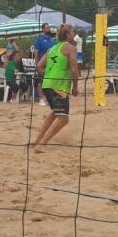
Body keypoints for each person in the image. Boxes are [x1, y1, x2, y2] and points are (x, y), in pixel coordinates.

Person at [32, 23, 79, 153]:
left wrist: (48, 76)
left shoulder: (51, 49)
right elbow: (74, 70)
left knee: (55, 112)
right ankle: (41, 144)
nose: (74, 34)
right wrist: (75, 87)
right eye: (72, 32)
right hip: (59, 86)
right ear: (68, 35)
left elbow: (39, 67)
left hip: (47, 85)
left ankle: (38, 139)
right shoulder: (70, 48)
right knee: (64, 118)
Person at [31, 24, 56, 106]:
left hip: (51, 64)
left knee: (50, 81)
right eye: (47, 28)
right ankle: (41, 99)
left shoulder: (51, 40)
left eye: (49, 28)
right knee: (41, 81)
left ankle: (49, 98)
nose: (49, 29)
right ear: (43, 29)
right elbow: (36, 52)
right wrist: (36, 63)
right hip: (42, 64)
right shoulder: (39, 39)